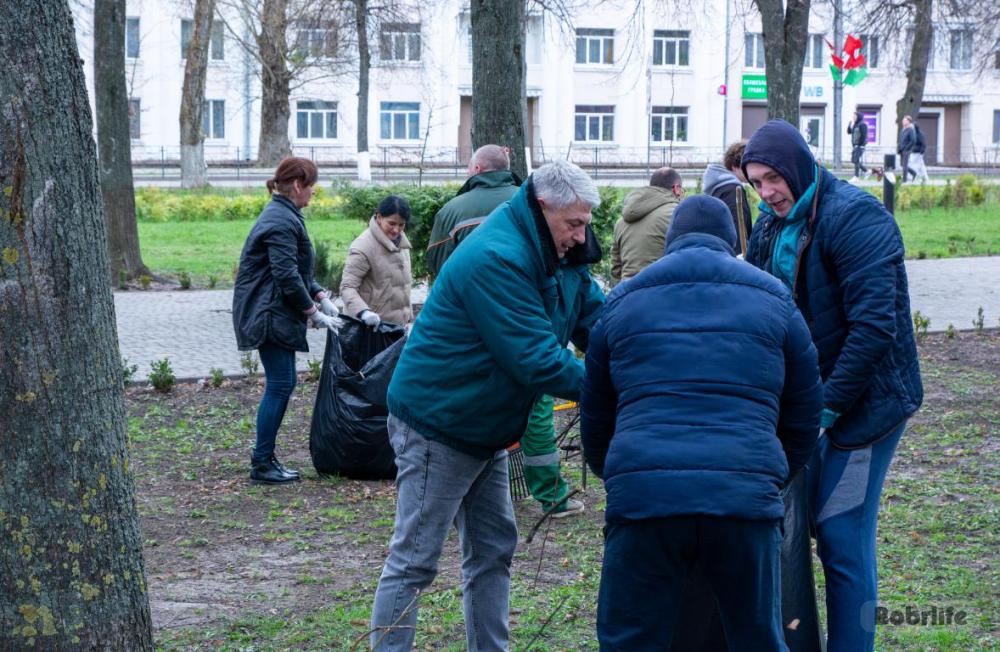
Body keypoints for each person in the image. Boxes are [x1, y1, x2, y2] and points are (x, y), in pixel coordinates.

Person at [370, 159, 605, 651]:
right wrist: (616, 390)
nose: (581, 236)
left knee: (493, 548)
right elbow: (537, 360)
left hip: (484, 427)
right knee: (415, 560)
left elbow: (597, 322)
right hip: (439, 424)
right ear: (543, 206)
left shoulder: (559, 251)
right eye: (574, 224)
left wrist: (643, 354)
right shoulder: (497, 257)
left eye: (586, 224)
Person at [581, 194, 822, 649]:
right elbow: (805, 409)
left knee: (630, 638)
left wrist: (622, 473)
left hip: (645, 498)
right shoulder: (774, 298)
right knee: (755, 636)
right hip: (743, 498)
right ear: (732, 242)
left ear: (670, 241)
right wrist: (768, 473)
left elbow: (595, 413)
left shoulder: (622, 301)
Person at [742, 119, 923, 652]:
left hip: (866, 411)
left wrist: (823, 410)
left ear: (798, 167)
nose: (766, 192)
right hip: (807, 405)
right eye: (756, 182)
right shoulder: (769, 226)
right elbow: (757, 308)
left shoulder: (857, 218)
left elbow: (874, 330)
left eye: (774, 178)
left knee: (842, 535)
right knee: (793, 529)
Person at [427, 145, 583, 518]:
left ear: (476, 169)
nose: (579, 236)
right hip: (531, 335)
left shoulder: (453, 210)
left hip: (472, 351)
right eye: (576, 225)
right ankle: (551, 494)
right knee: (538, 413)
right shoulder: (528, 208)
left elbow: (437, 268)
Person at [232, 156, 342, 485]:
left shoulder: (284, 214)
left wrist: (320, 295)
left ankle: (265, 459)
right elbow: (286, 275)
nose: (313, 192)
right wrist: (313, 313)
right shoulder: (280, 220)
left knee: (284, 382)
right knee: (280, 384)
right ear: (297, 185)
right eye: (311, 186)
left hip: (272, 310)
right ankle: (262, 462)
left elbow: (296, 269)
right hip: (268, 314)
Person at [425, 144, 519, 280]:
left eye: (468, 169)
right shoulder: (531, 202)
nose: (467, 173)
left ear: (477, 169)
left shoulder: (451, 211)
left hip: (470, 291)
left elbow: (440, 265)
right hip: (523, 291)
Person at [340, 195, 413, 328]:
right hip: (370, 329)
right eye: (391, 223)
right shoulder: (363, 247)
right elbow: (347, 287)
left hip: (397, 329)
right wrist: (364, 312)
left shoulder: (402, 244)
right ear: (379, 217)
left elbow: (404, 287)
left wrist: (408, 318)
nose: (396, 230)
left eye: (401, 225)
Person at [610, 167, 683, 284]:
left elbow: (616, 268)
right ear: (677, 189)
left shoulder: (621, 222)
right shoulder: (677, 214)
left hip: (627, 290)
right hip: (662, 289)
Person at [702, 142, 753, 256]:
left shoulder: (719, 187)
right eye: (747, 166)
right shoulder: (733, 191)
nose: (751, 171)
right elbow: (738, 231)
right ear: (735, 166)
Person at [847, 111, 870, 183]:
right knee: (853, 160)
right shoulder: (855, 125)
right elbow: (849, 132)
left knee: (856, 160)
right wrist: (849, 124)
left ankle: (856, 177)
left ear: (858, 117)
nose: (853, 118)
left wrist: (860, 144)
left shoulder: (862, 124)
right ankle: (866, 171)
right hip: (855, 146)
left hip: (860, 146)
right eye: (853, 117)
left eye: (854, 116)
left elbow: (863, 135)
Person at [897, 115, 918, 183]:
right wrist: (899, 148)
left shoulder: (911, 130)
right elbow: (900, 140)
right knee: (902, 165)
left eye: (904, 120)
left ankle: (904, 179)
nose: (903, 121)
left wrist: (906, 148)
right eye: (903, 120)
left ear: (908, 121)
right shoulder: (903, 130)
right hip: (902, 150)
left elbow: (913, 140)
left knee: (905, 165)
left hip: (907, 150)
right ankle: (913, 173)